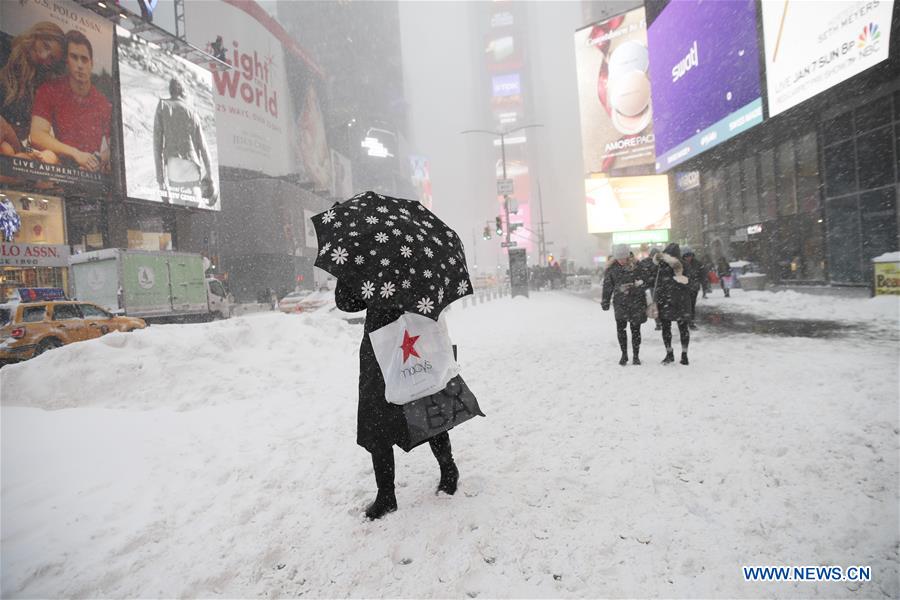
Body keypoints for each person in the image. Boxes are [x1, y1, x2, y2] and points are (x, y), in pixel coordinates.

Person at [335, 281, 459, 520]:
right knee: (383, 415)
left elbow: (347, 302)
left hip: (405, 336)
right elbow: (347, 302)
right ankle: (389, 492)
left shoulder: (380, 261)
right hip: (388, 341)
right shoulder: (369, 261)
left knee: (420, 403)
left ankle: (445, 470)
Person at [29, 30, 111, 171]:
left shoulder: (103, 102)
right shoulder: (50, 90)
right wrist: (75, 153)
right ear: (66, 61)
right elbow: (37, 135)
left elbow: (114, 147)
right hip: (60, 168)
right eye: (74, 57)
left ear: (91, 64)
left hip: (91, 171)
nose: (80, 65)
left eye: (84, 59)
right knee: (47, 158)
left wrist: (98, 160)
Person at [153, 77, 217, 206]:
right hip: (192, 167)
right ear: (183, 91)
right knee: (195, 212)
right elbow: (204, 147)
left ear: (170, 90)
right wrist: (210, 175)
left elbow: (157, 146)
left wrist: (161, 181)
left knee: (179, 212)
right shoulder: (192, 111)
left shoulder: (162, 106)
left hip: (174, 167)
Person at [0, 21, 66, 144]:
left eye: (51, 58)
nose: (44, 56)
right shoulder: (5, 48)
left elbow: (26, 132)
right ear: (36, 35)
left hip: (13, 144)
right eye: (45, 45)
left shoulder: (41, 83)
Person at [601, 245, 647, 365]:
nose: (621, 260)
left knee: (635, 330)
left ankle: (636, 355)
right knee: (621, 330)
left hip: (636, 302)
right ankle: (624, 354)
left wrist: (636, 287)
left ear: (628, 256)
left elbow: (645, 281)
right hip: (620, 303)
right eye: (619, 258)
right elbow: (607, 286)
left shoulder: (637, 266)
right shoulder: (611, 269)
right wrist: (605, 300)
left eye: (623, 258)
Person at [652, 242, 692, 365]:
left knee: (667, 329)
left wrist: (657, 299)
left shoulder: (663, 266)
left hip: (668, 301)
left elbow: (658, 284)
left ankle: (670, 354)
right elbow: (690, 283)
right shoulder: (682, 265)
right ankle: (683, 355)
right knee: (682, 329)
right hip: (680, 301)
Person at [681, 246, 709, 330]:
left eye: (690, 255)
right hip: (683, 288)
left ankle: (691, 322)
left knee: (692, 305)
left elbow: (703, 274)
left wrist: (702, 283)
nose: (688, 258)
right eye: (686, 256)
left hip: (694, 288)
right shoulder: (680, 264)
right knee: (684, 306)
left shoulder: (697, 263)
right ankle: (684, 321)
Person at [638, 246, 661, 330]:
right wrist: (649, 278)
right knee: (654, 304)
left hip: (660, 286)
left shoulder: (660, 262)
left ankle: (660, 321)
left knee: (660, 304)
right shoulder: (644, 262)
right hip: (650, 287)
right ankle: (658, 322)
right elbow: (642, 274)